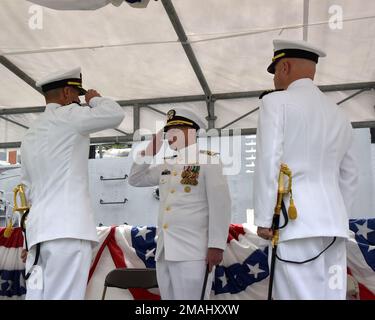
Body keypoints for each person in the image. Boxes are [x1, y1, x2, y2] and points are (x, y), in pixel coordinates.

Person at [254, 39, 359, 300]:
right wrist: (336, 216)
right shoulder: (339, 114)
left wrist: (266, 218)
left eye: (276, 70)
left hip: (295, 223)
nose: (275, 79)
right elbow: (351, 175)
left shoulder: (276, 103)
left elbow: (269, 161)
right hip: (333, 227)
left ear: (285, 67)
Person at [20, 66, 125, 299]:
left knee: (38, 296)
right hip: (67, 232)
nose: (79, 100)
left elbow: (26, 190)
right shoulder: (69, 116)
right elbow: (115, 113)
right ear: (67, 93)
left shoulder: (31, 132)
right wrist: (96, 100)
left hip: (39, 235)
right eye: (77, 95)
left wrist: (29, 240)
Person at [128, 108, 231, 300]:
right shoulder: (168, 165)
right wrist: (150, 150)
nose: (169, 136)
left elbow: (221, 206)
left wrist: (216, 245)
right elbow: (135, 179)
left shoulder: (209, 161)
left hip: (193, 251)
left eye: (175, 130)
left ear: (191, 131)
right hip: (165, 251)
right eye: (167, 132)